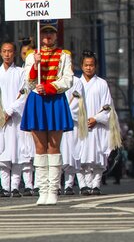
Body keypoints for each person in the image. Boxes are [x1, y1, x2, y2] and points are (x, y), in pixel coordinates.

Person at [20, 20, 75, 206]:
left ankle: (53, 189)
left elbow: (68, 80)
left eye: (51, 33)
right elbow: (28, 82)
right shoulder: (31, 56)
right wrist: (35, 65)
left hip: (54, 99)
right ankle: (41, 189)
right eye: (44, 33)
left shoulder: (64, 55)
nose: (48, 36)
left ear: (56, 35)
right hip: (37, 100)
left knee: (53, 146)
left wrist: (51, 87)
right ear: (39, 36)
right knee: (39, 147)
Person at [78, 51, 115, 196]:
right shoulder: (76, 83)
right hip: (80, 126)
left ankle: (96, 184)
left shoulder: (102, 84)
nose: (89, 68)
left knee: (98, 157)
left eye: (91, 65)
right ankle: (84, 185)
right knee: (81, 157)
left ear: (96, 66)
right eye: (86, 65)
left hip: (98, 126)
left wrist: (96, 118)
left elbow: (108, 106)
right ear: (81, 66)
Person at [1, 41, 28, 198]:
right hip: (1, 119)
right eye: (4, 51)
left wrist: (10, 110)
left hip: (16, 117)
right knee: (3, 155)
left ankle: (15, 186)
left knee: (17, 153)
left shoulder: (20, 73)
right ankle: (5, 187)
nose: (7, 54)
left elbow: (24, 94)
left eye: (10, 51)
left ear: (15, 54)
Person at [61, 72, 86, 195]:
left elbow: (77, 101)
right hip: (56, 121)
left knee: (71, 154)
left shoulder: (76, 81)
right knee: (57, 154)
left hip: (70, 122)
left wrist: (64, 113)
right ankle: (54, 185)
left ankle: (69, 185)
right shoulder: (53, 79)